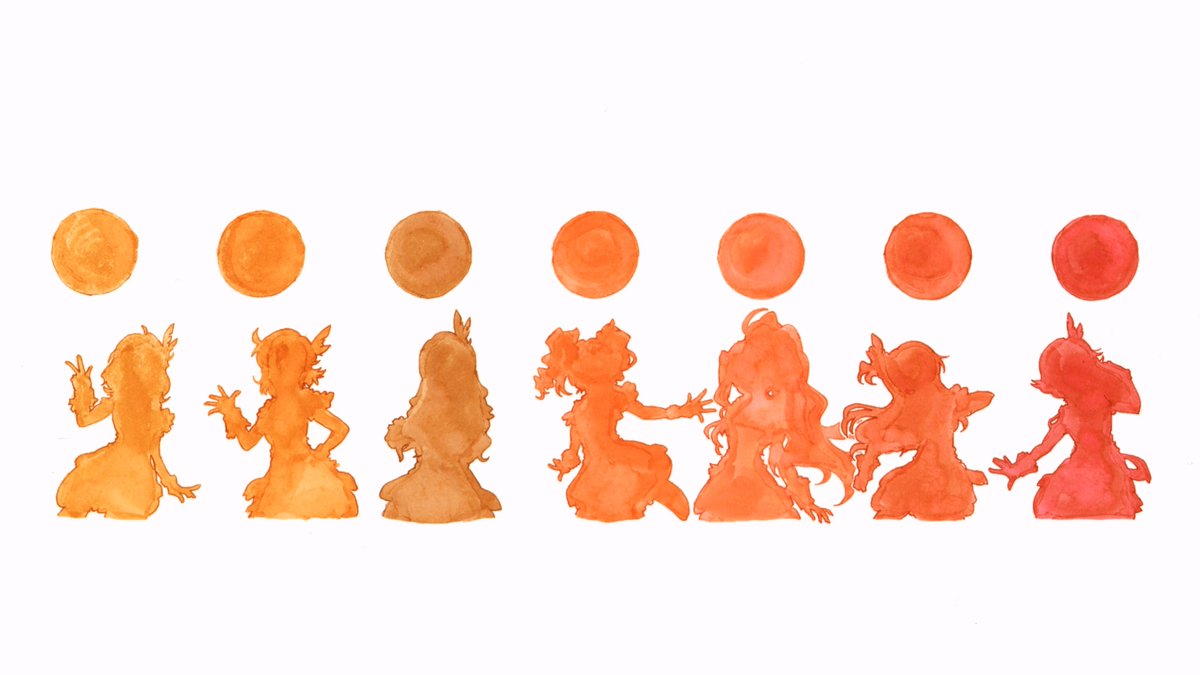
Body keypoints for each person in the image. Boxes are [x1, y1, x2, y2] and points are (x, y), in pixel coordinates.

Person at [535, 321, 712, 521]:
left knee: (651, 470)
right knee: (605, 503)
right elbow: (575, 444)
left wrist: (678, 411)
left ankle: (651, 495)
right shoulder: (579, 409)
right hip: (596, 467)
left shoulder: (613, 395)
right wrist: (567, 461)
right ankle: (649, 495)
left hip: (615, 456)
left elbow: (644, 413)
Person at [697, 309, 854, 522]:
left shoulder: (772, 419)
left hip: (756, 492)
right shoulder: (742, 407)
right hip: (730, 487)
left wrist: (807, 503)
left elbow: (783, 463)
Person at [991, 314, 1148, 518]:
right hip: (1101, 474)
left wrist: (1018, 468)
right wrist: (1093, 360)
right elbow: (1134, 404)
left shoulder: (1080, 410)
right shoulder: (1094, 404)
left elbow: (1043, 448)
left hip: (1100, 477)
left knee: (1051, 509)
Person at [207, 326, 357, 518]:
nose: (282, 371)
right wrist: (231, 414)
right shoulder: (269, 410)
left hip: (306, 479)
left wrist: (321, 452)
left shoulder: (304, 401)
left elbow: (341, 429)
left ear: (302, 370)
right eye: (277, 366)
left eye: (290, 366)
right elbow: (248, 442)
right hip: (277, 481)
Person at [841, 334, 992, 520]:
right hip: (951, 485)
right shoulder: (945, 400)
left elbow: (887, 441)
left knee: (888, 500)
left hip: (933, 486)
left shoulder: (926, 409)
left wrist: (864, 472)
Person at [57, 325, 198, 518]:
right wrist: (82, 387)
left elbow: (153, 451)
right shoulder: (130, 403)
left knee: (90, 508)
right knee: (78, 508)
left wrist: (170, 482)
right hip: (124, 472)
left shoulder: (150, 408)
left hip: (130, 476)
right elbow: (85, 420)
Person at [381, 312, 501, 522]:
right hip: (455, 483)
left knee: (401, 502)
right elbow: (475, 445)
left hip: (428, 487)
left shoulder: (420, 420)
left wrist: (401, 432)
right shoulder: (467, 418)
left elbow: (402, 434)